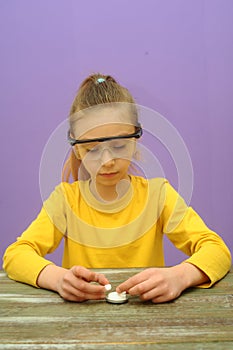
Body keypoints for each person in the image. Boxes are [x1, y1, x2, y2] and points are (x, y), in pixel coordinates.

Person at [3, 74, 231, 303]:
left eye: (119, 145)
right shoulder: (66, 200)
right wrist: (58, 278)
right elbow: (15, 255)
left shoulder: (158, 195)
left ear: (136, 138)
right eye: (92, 148)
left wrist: (179, 276)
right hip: (80, 328)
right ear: (76, 148)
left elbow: (217, 251)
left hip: (148, 326)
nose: (107, 160)